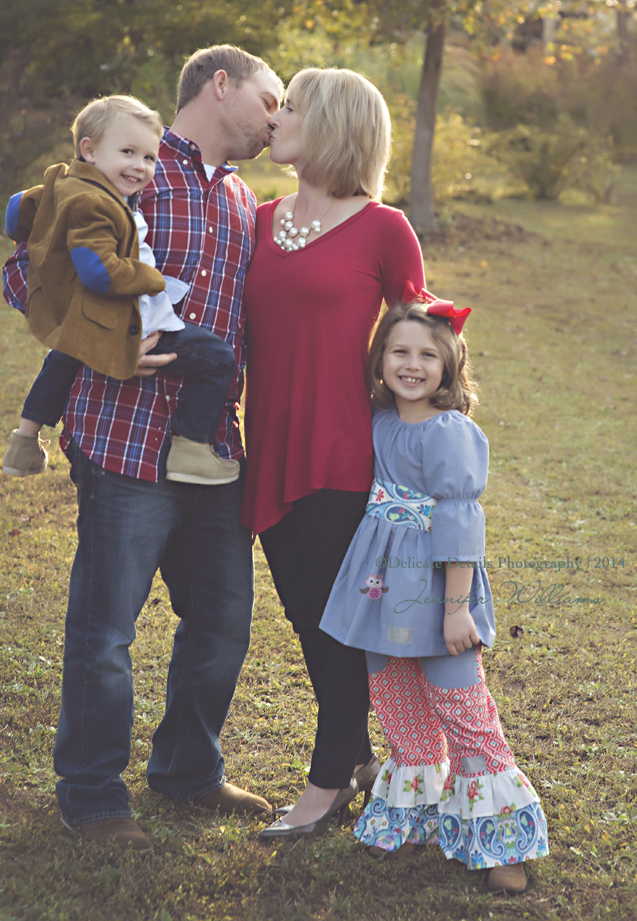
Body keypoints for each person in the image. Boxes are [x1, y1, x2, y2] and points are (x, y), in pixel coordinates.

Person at [2, 44, 283, 853]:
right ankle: (91, 793)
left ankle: (188, 770)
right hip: (124, 440)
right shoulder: (133, 164)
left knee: (223, 623)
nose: (276, 117)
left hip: (212, 446)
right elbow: (28, 271)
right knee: (106, 629)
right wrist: (107, 338)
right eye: (271, 98)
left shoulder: (240, 199)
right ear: (220, 85)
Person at [242, 68, 426, 840]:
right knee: (306, 618)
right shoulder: (256, 218)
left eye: (293, 106)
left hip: (345, 451)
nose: (275, 116)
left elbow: (425, 340)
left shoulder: (385, 226)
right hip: (267, 444)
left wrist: (421, 449)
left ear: (336, 126)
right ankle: (357, 762)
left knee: (337, 631)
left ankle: (323, 787)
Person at [320, 292, 549, 893]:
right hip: (379, 585)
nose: (412, 364)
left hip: (436, 585)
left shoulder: (450, 433)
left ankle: (503, 841)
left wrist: (454, 610)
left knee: (462, 709)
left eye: (428, 354)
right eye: (399, 351)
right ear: (379, 361)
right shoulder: (379, 421)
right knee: (398, 704)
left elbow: (459, 523)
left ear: (449, 366)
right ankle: (416, 815)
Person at [3, 94, 240, 487]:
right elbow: (99, 273)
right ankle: (192, 447)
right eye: (128, 152)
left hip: (90, 312)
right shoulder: (96, 203)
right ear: (90, 150)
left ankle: (25, 441)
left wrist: (39, 221)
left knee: (63, 355)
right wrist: (152, 278)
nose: (141, 167)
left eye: (149, 158)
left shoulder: (69, 186)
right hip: (134, 320)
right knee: (217, 358)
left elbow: (16, 211)